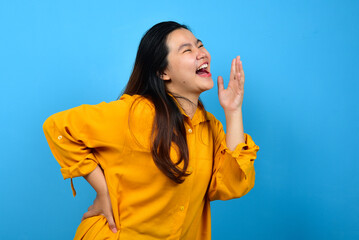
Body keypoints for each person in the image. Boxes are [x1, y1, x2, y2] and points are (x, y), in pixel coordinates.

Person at [43, 21, 260, 240]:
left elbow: (232, 186)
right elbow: (58, 127)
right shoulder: (136, 114)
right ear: (163, 72)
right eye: (187, 50)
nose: (201, 53)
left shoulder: (209, 126)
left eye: (200, 45)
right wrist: (103, 190)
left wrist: (233, 112)